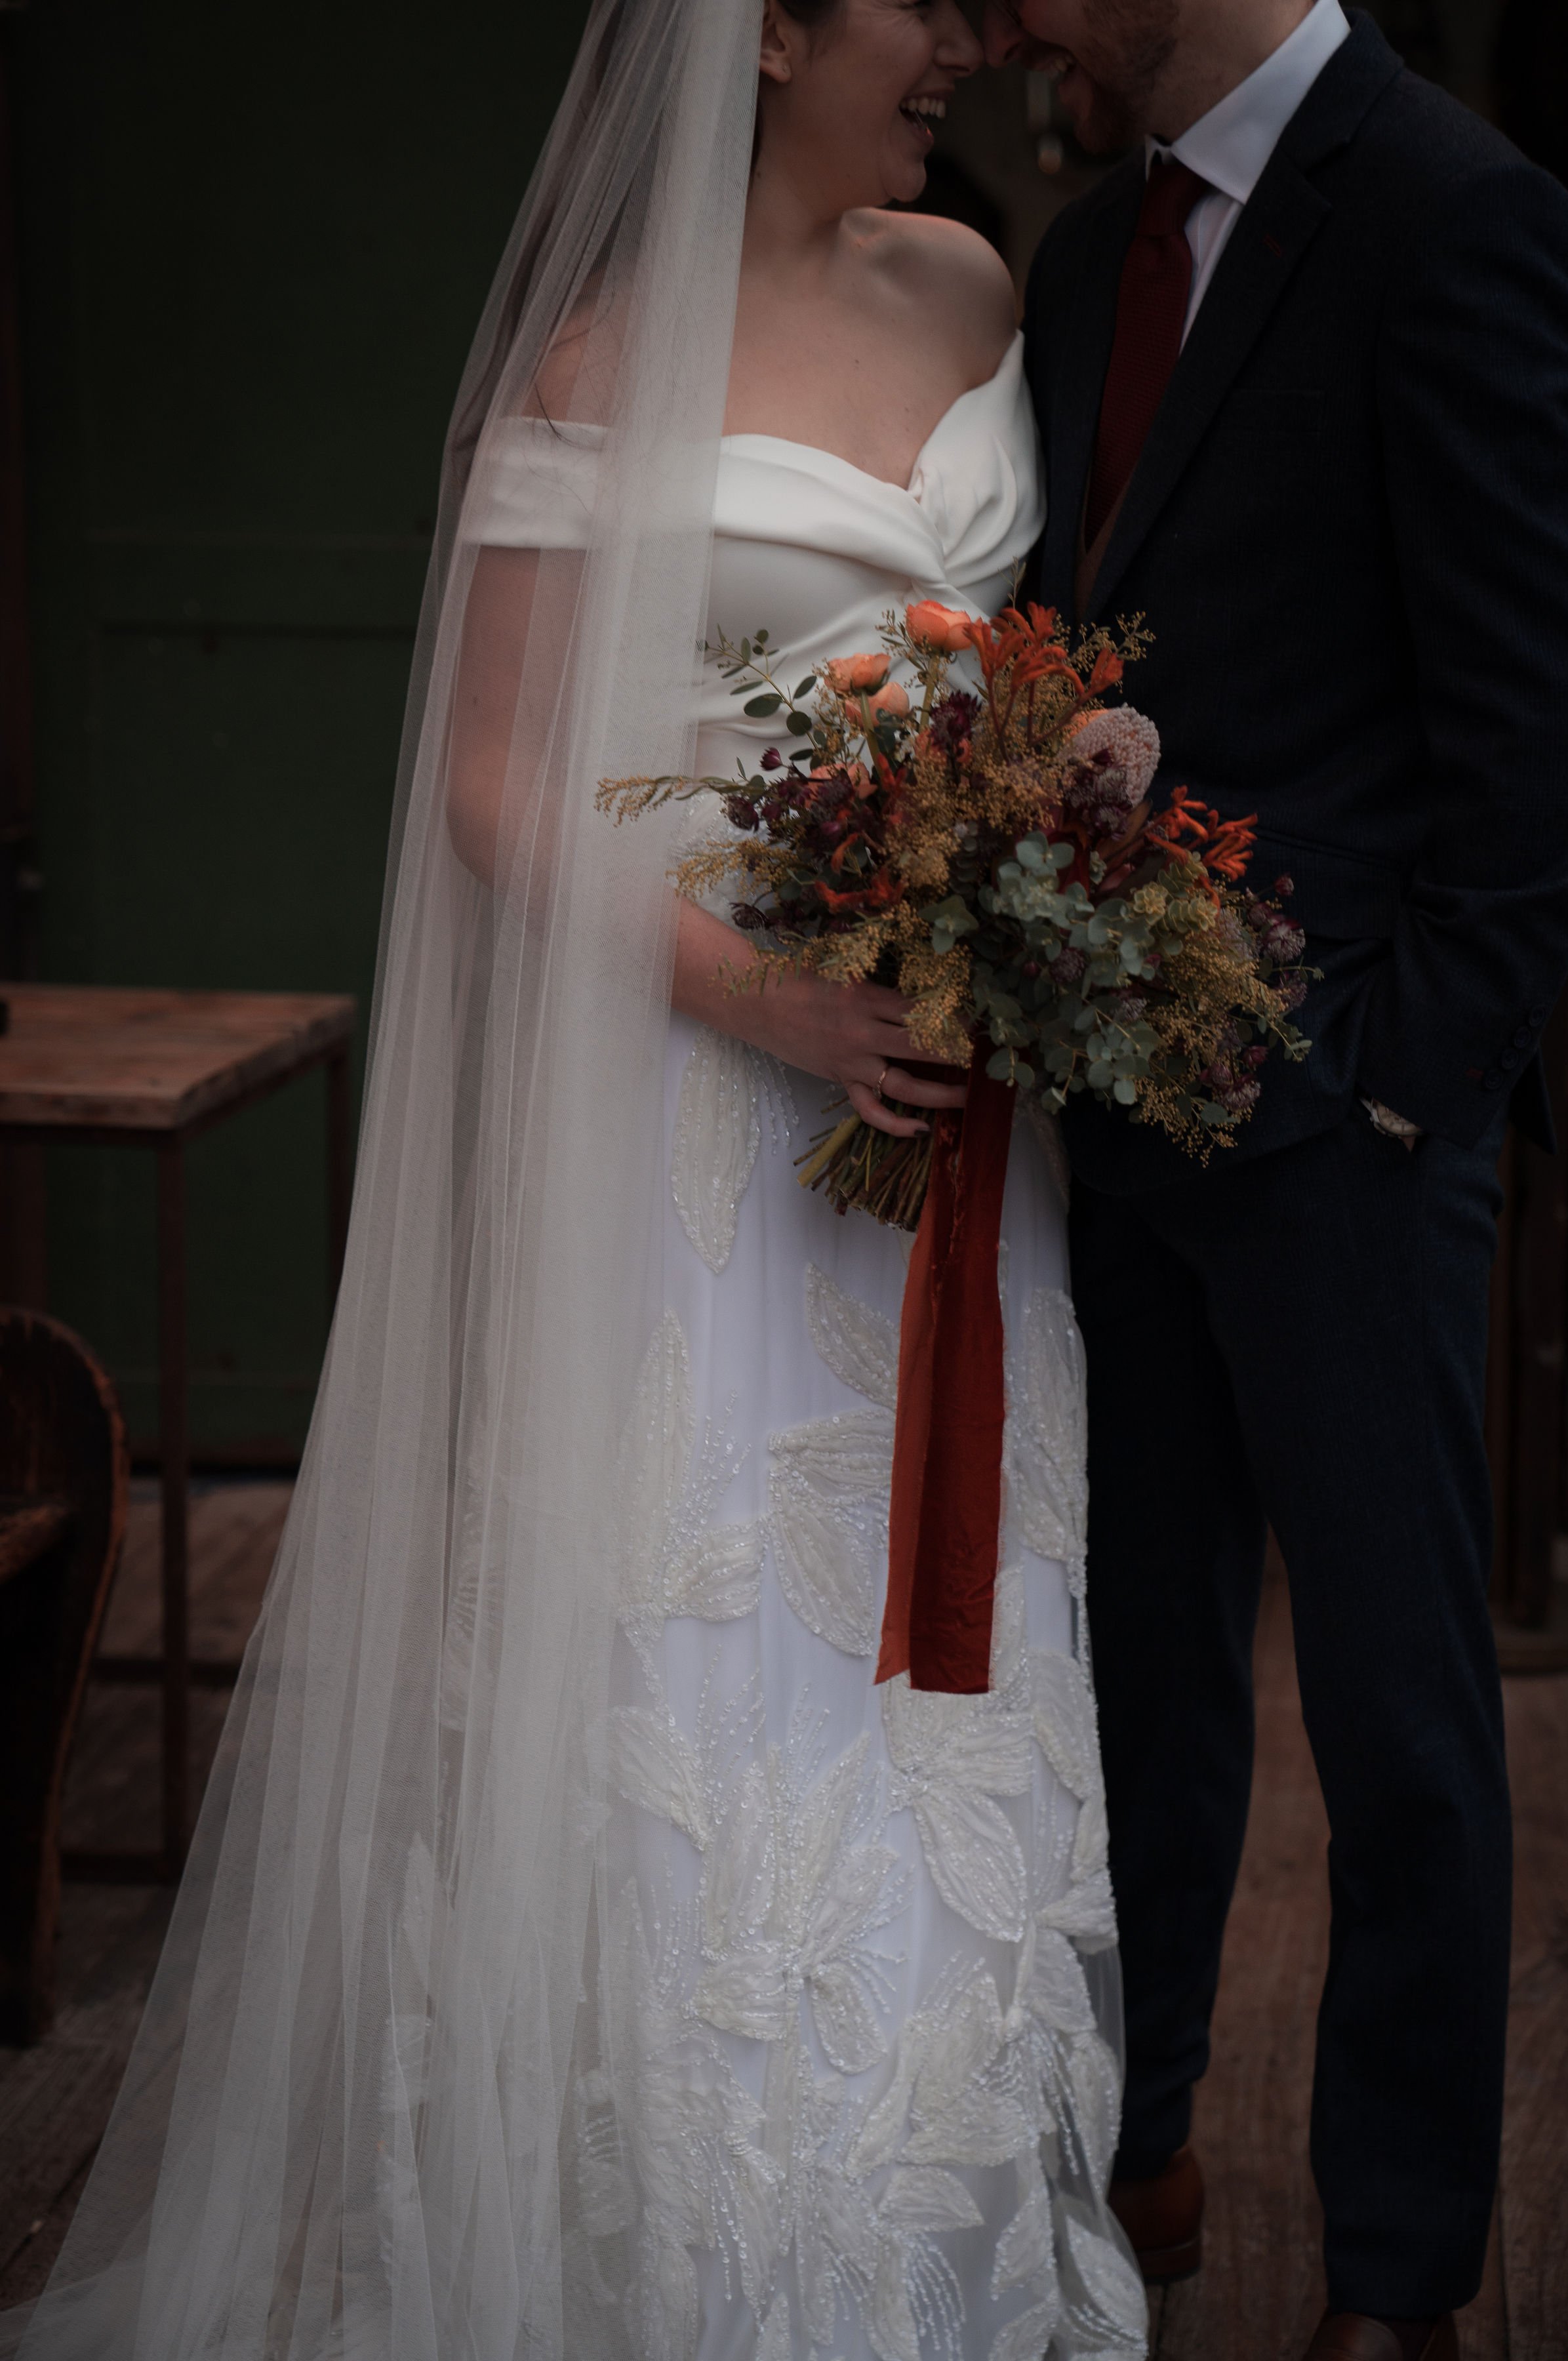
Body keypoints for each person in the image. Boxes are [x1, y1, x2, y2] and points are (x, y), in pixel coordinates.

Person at [3, 6, 1142, 2358]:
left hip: (954, 1112)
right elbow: (502, 786)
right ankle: (695, 2254)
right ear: (770, 34)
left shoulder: (969, 286)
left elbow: (1018, 653)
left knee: (956, 1637)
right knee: (711, 1649)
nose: (961, 42)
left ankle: (929, 2240)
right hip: (717, 1109)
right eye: (909, 6)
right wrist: (776, 1002)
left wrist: (1074, 789)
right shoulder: (596, 368)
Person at [984, 1, 1568, 2357]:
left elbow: (1535, 727)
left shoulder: (1454, 215)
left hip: (1352, 1137)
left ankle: (1410, 2277)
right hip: (1107, 1128)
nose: (1019, 18)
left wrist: (1406, 1087)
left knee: (1404, 1721)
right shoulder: (1080, 250)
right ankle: (1144, 2146)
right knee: (1134, 1677)